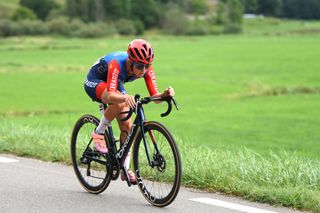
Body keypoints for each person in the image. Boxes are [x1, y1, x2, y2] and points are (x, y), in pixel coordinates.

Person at [84, 39, 175, 184]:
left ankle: (124, 170)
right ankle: (98, 132)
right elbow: (111, 94)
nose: (143, 70)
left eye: (147, 65)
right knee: (119, 102)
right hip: (95, 81)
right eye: (140, 66)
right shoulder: (116, 64)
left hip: (115, 82)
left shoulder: (145, 68)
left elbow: (155, 97)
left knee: (127, 125)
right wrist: (125, 97)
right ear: (130, 61)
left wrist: (164, 95)